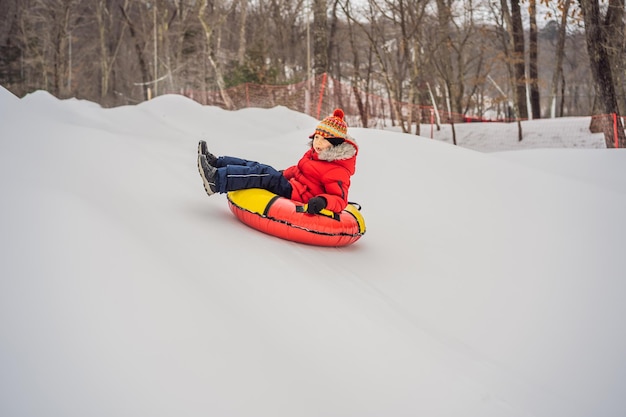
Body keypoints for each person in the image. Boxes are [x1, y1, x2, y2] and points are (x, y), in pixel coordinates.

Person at [197, 108, 358, 214]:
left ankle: (216, 180)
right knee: (260, 167)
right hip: (293, 186)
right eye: (316, 137)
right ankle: (217, 163)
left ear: (336, 145)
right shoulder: (314, 154)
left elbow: (340, 200)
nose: (318, 143)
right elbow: (299, 170)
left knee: (264, 174)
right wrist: (284, 173)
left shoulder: (337, 171)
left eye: (324, 140)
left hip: (298, 196)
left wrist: (322, 201)